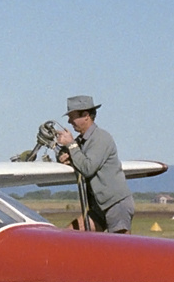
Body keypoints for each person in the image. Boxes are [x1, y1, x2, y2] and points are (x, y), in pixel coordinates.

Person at [55, 95, 135, 234]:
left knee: (120, 250)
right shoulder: (82, 141)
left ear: (86, 115)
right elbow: (79, 160)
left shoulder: (101, 138)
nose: (69, 121)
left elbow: (87, 168)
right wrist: (63, 156)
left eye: (72, 117)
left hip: (116, 204)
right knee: (69, 237)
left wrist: (71, 146)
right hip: (99, 207)